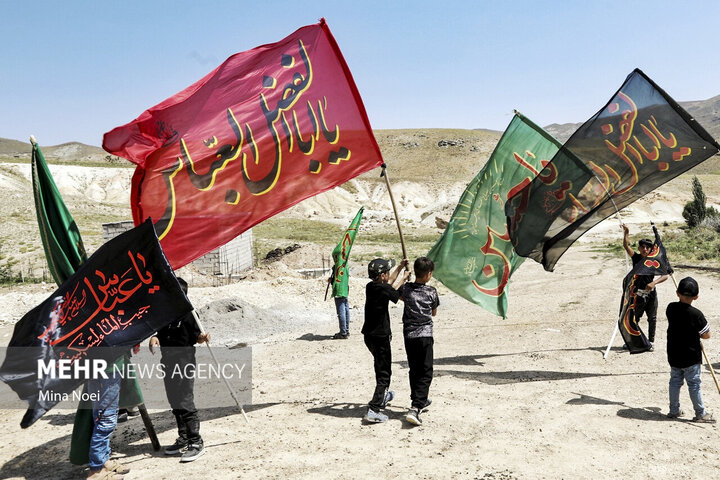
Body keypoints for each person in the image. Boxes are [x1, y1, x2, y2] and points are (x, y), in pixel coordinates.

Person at [149, 277, 210, 462]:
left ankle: (195, 441)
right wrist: (154, 338)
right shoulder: (164, 314)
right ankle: (183, 437)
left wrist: (202, 337)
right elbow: (158, 334)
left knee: (184, 400)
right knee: (174, 399)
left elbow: (196, 338)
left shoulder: (189, 315)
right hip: (167, 361)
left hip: (184, 361)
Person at [362, 257, 410, 423]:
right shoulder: (382, 289)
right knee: (384, 374)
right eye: (387, 272)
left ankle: (381, 396)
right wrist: (404, 278)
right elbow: (394, 293)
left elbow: (388, 284)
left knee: (379, 366)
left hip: (369, 335)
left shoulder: (371, 286)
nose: (389, 274)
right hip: (379, 337)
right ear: (382, 275)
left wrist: (399, 267)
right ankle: (374, 409)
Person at [666, 276, 715, 423]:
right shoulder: (697, 314)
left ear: (677, 293)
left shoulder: (670, 308)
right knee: (694, 384)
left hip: (674, 354)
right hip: (691, 356)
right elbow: (706, 335)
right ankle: (700, 413)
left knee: (675, 382)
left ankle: (673, 410)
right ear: (696, 297)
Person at [399, 257, 440, 426]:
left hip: (409, 336)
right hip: (424, 335)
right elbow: (434, 312)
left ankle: (418, 397)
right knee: (426, 370)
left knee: (414, 369)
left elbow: (396, 294)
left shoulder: (406, 289)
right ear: (428, 274)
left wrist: (404, 277)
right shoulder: (431, 292)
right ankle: (416, 407)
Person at [622, 224, 668, 347]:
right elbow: (626, 246)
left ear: (651, 249)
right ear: (639, 248)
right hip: (637, 293)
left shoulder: (654, 261)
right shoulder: (636, 258)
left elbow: (665, 275)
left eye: (648, 247)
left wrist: (654, 283)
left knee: (652, 318)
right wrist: (627, 232)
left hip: (651, 294)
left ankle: (651, 341)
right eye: (643, 247)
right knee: (634, 318)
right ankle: (632, 341)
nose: (645, 249)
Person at [86, 370, 129, 480]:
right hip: (108, 365)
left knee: (99, 416)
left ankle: (103, 461)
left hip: (96, 365)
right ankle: (96, 471)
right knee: (106, 421)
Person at [328, 251, 351, 339]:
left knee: (341, 311)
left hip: (339, 290)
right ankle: (346, 330)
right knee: (346, 310)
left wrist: (331, 281)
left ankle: (343, 332)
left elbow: (337, 278)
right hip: (345, 289)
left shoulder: (338, 266)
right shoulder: (346, 264)